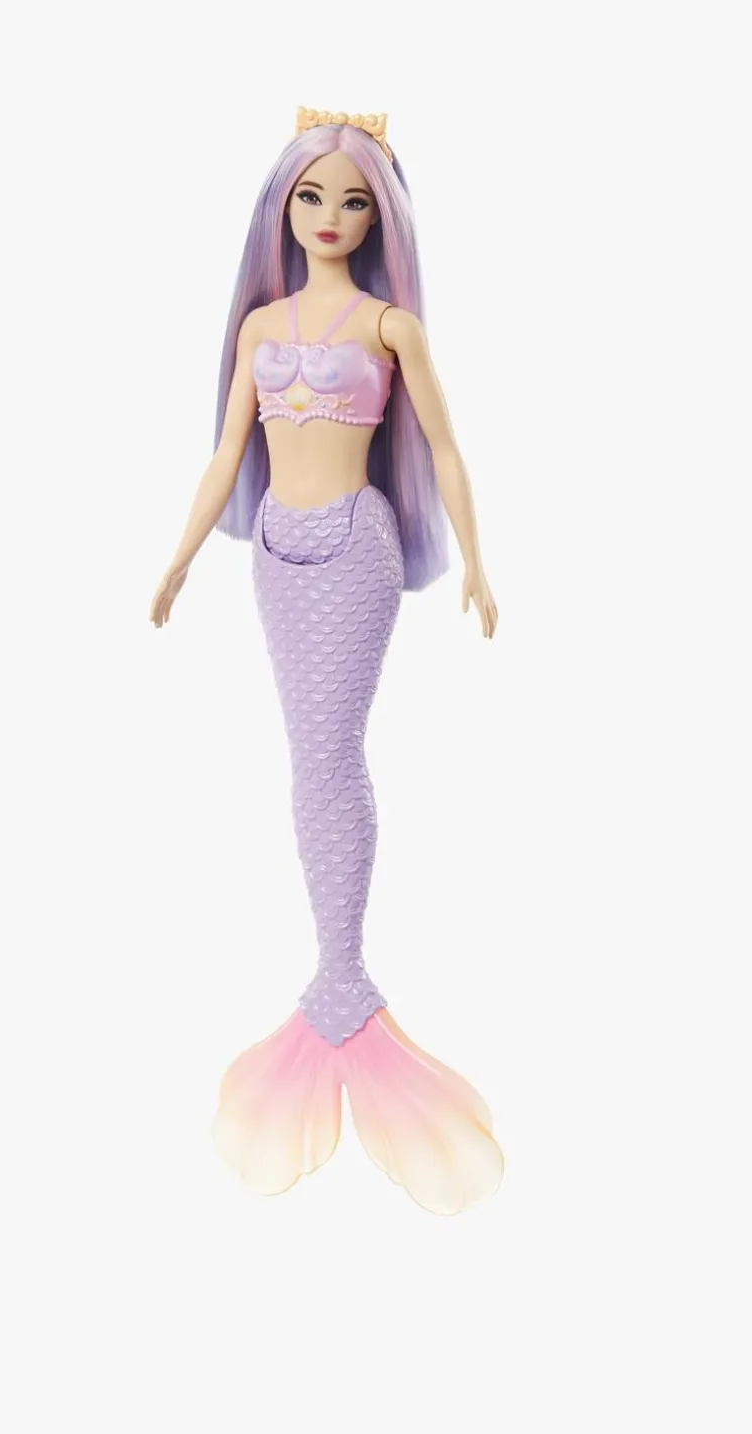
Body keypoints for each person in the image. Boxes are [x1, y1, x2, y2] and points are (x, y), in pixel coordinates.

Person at [149, 109, 503, 1215]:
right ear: (284, 206)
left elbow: (444, 446)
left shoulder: (391, 327)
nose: (331, 217)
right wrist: (179, 559)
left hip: (354, 545)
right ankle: (336, 971)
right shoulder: (261, 326)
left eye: (354, 201)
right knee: (308, 754)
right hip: (276, 552)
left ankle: (340, 974)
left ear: (379, 215)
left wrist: (476, 562)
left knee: (329, 750)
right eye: (313, 197)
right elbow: (226, 453)